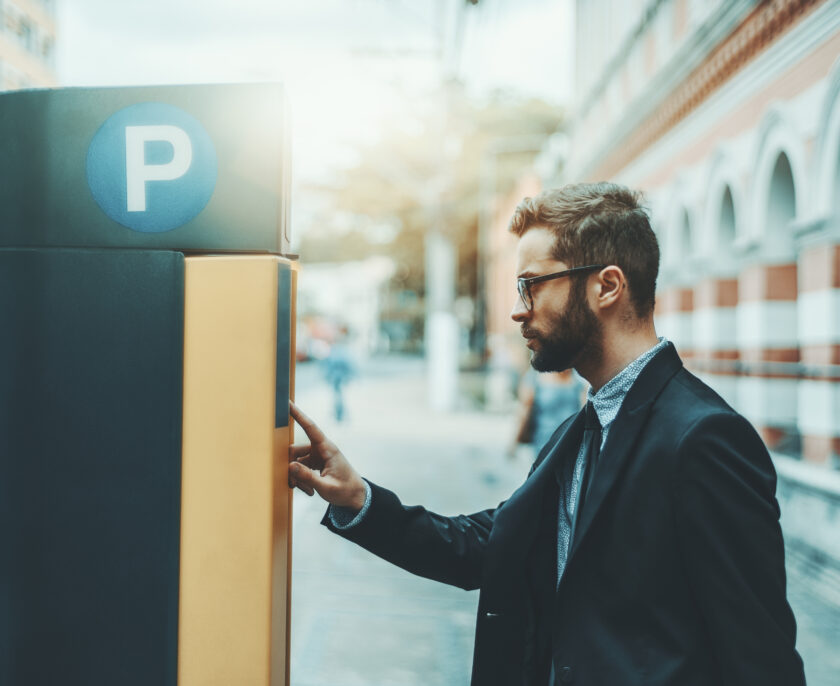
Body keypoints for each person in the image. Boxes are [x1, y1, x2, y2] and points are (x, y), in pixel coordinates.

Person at [288, 182, 806, 686]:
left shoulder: (705, 438)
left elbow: (760, 657)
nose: (517, 309)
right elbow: (491, 549)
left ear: (606, 286)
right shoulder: (577, 432)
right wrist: (359, 501)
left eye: (531, 284)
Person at [511, 368, 586, 459]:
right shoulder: (535, 377)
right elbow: (524, 411)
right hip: (543, 444)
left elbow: (585, 413)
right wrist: (515, 442)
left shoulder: (579, 378)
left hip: (572, 445)